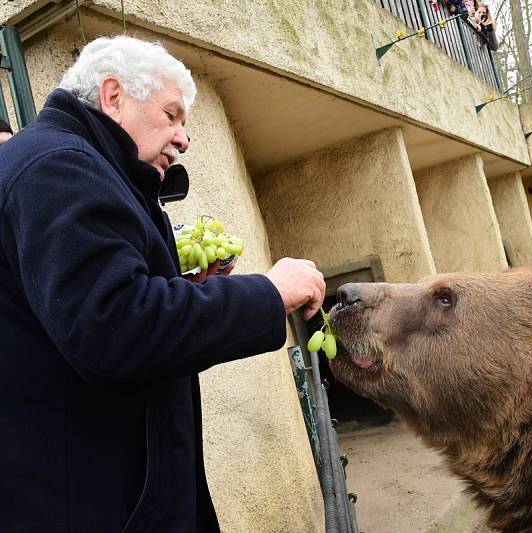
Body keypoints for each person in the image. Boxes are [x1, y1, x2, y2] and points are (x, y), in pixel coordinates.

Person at [0, 36, 325, 532]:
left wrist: (186, 288)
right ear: (113, 96)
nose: (183, 139)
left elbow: (82, 307)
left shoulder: (73, 165)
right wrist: (270, 292)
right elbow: (116, 326)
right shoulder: (59, 168)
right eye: (172, 115)